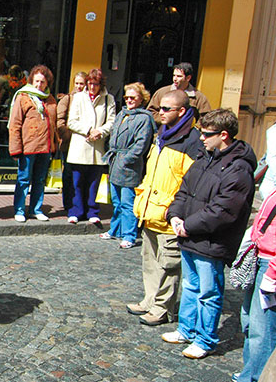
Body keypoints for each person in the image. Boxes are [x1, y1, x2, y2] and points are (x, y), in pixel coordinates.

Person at [161, 109, 256, 359]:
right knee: (191, 286)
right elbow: (184, 190)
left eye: (206, 134)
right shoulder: (206, 157)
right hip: (190, 235)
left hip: (212, 241)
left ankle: (205, 339)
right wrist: (175, 216)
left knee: (209, 292)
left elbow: (224, 210)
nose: (200, 138)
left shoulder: (239, 168)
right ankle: (186, 329)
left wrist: (188, 225)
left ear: (223, 135)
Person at [128, 89, 202, 326]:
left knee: (168, 263)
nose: (160, 112)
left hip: (170, 214)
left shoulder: (192, 141)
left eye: (166, 109)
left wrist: (178, 212)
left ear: (182, 111)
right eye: (159, 108)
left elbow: (191, 183)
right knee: (149, 260)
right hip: (150, 210)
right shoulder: (162, 135)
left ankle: (163, 307)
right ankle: (150, 300)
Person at [234, 130, 276, 381]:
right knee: (250, 320)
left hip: (273, 265)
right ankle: (252, 371)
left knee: (265, 327)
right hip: (262, 258)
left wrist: (274, 273)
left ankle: (261, 376)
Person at [101, 82, 155, 248]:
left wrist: (126, 159)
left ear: (141, 99)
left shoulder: (144, 118)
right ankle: (115, 229)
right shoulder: (121, 114)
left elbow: (141, 144)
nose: (129, 100)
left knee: (127, 202)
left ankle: (129, 235)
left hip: (129, 166)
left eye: (133, 97)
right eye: (127, 97)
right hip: (115, 162)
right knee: (116, 202)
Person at [8, 65, 58, 222]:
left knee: (40, 179)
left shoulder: (50, 99)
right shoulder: (23, 97)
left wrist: (55, 144)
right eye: (37, 81)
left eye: (42, 82)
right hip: (28, 147)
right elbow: (15, 124)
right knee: (23, 179)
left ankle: (36, 209)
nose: (39, 85)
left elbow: (54, 124)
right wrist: (15, 149)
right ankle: (20, 210)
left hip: (45, 147)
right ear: (31, 81)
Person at [65, 68, 115, 224]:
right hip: (80, 146)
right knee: (77, 183)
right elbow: (72, 121)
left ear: (101, 84)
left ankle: (92, 211)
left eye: (96, 84)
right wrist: (88, 130)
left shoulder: (109, 99)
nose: (92, 87)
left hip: (97, 147)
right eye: (90, 83)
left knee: (94, 183)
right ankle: (76, 211)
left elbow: (112, 121)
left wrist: (100, 131)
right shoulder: (79, 97)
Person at [56, 72, 87, 212]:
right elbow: (60, 121)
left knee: (82, 176)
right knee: (68, 174)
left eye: (82, 83)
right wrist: (69, 135)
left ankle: (80, 203)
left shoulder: (89, 100)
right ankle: (68, 203)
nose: (79, 86)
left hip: (85, 144)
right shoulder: (67, 99)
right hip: (70, 144)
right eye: (77, 83)